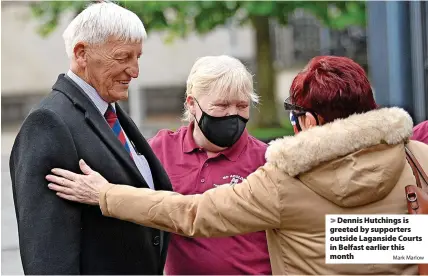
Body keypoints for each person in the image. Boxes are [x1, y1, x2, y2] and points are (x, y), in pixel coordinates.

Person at [46, 56, 428, 275]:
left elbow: (194, 213)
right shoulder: (417, 158)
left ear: (310, 120)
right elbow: (369, 242)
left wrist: (104, 194)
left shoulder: (283, 180)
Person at [10, 2, 172, 274]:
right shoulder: (48, 123)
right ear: (82, 53)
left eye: (138, 57)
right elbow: (47, 256)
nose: (135, 71)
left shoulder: (111, 113)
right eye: (123, 57)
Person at [148, 55, 272, 275]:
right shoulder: (161, 149)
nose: (233, 114)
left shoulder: (266, 159)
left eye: (242, 105)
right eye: (222, 105)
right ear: (192, 104)